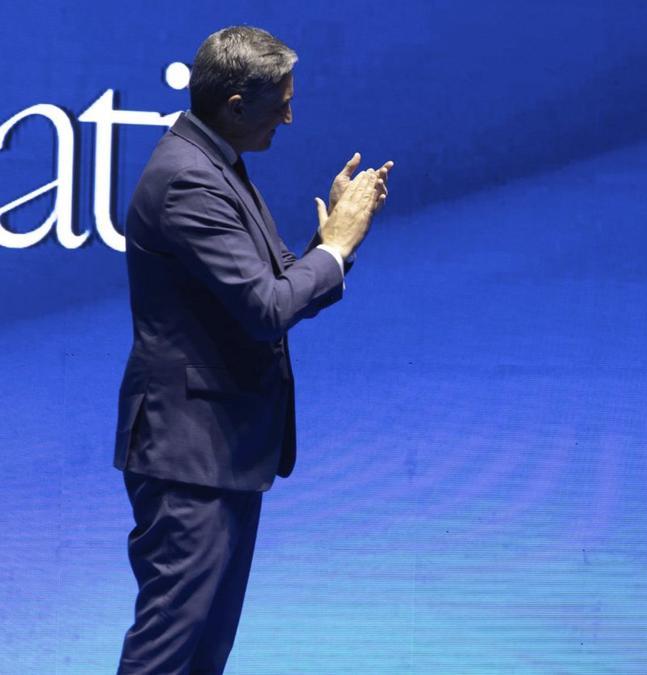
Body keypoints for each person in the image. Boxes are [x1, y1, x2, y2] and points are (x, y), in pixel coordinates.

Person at [111, 26, 391, 673]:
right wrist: (336, 249)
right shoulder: (188, 180)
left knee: (204, 649)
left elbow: (279, 284)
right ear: (236, 104)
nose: (290, 116)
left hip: (223, 452)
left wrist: (332, 243)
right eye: (280, 103)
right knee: (169, 651)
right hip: (190, 458)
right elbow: (268, 309)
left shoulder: (217, 163)